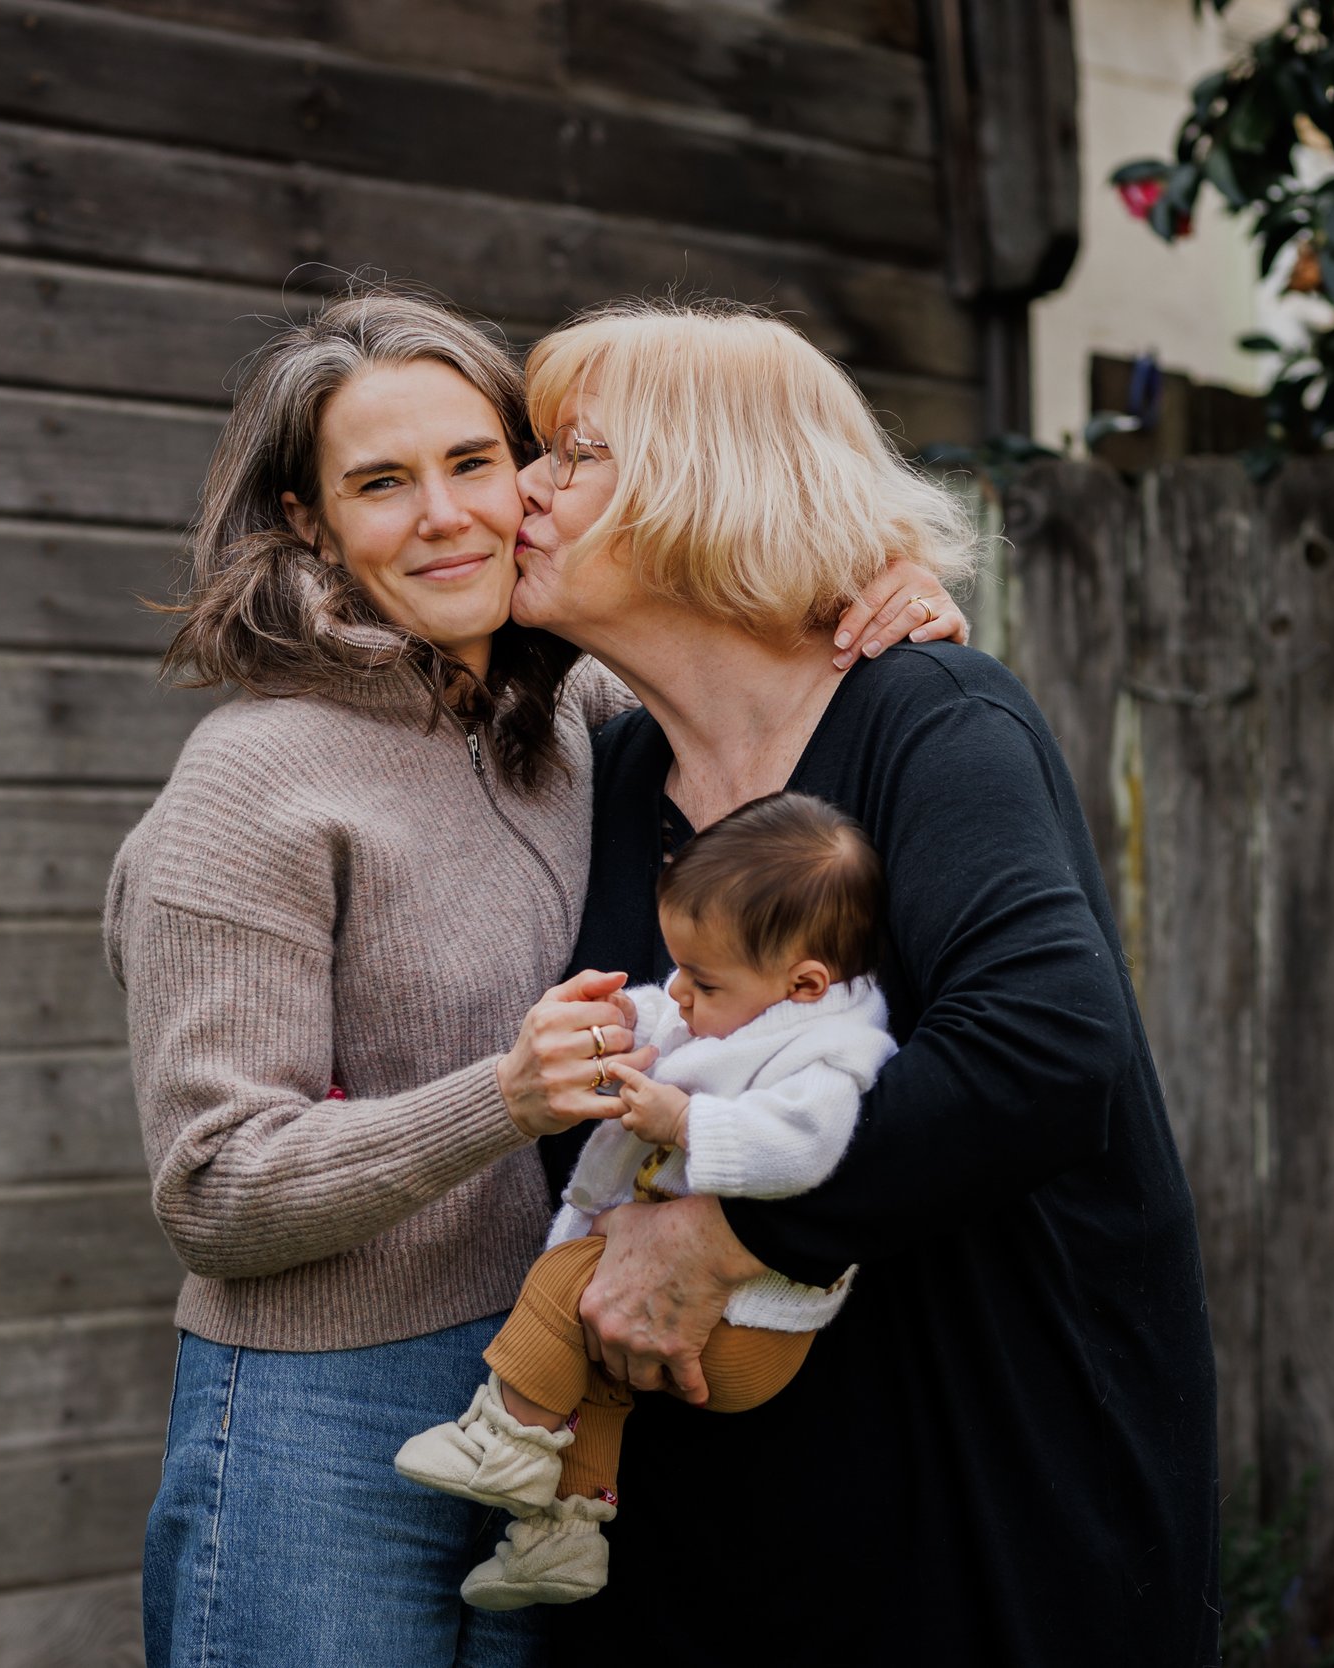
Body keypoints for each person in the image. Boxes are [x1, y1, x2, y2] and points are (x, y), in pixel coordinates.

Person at [103, 286, 964, 1668]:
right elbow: (212, 1186)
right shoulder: (251, 781)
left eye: (475, 463)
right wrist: (495, 1098)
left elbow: (758, 701)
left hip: (568, 1393)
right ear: (310, 524)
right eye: (381, 483)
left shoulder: (586, 713)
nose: (444, 515)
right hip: (323, 1416)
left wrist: (870, 597)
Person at [501, 300, 1223, 1667]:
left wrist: (733, 1239)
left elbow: (1046, 1050)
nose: (522, 489)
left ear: (705, 486)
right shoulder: (610, 772)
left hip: (976, 1492)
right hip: (722, 1531)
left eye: (572, 456)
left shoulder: (932, 722)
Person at [395, 791, 897, 1609]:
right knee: (600, 1381)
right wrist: (633, 1015)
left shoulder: (836, 1055)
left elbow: (805, 1149)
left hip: (751, 1330)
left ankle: (507, 1439)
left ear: (805, 983)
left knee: (567, 1285)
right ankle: (566, 1534)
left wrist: (686, 1121)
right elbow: (683, 1018)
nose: (683, 995)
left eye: (700, 978)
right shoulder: (754, 1001)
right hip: (714, 1312)